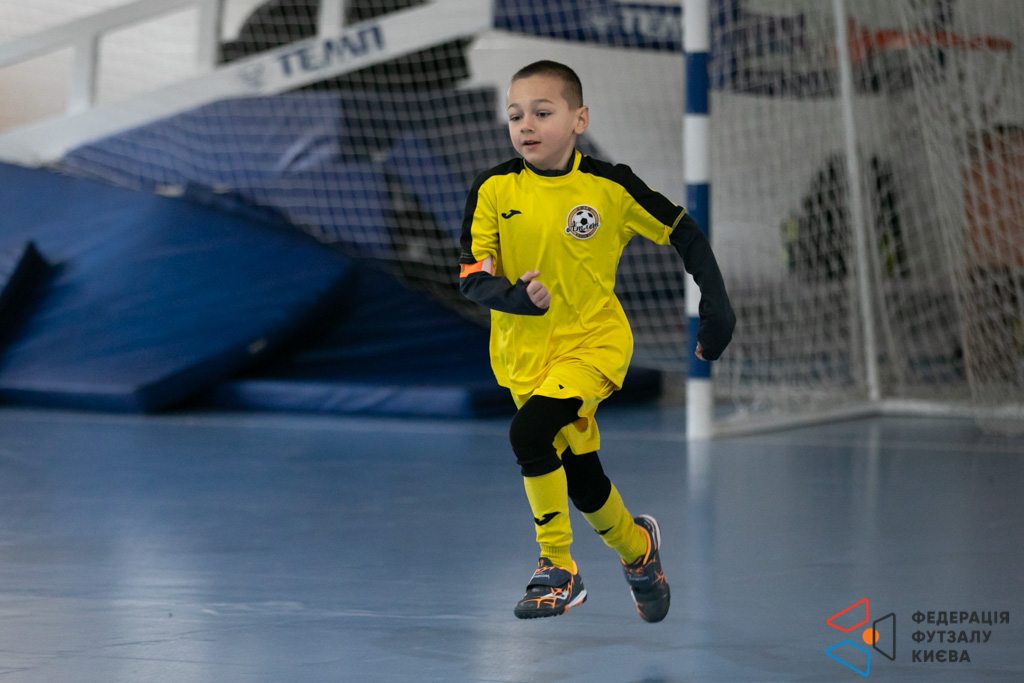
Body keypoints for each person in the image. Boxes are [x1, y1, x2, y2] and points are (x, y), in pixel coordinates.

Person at [458, 60, 735, 622]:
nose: (526, 125)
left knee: (528, 433)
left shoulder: (610, 186)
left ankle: (557, 569)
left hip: (593, 346)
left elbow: (682, 229)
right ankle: (639, 551)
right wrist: (516, 298)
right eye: (515, 115)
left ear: (579, 119)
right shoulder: (492, 189)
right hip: (523, 359)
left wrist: (716, 305)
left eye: (542, 113)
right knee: (584, 483)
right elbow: (471, 277)